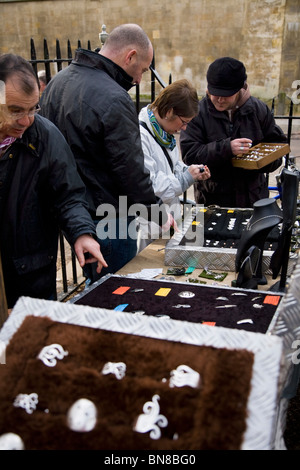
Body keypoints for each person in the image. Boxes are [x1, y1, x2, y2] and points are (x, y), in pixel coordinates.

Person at [40, 23, 173, 283]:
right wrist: (158, 213)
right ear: (130, 56)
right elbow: (130, 170)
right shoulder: (115, 97)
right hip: (110, 216)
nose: (139, 80)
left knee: (96, 284)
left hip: (74, 216)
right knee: (115, 290)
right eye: (143, 70)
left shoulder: (57, 83)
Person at [0, 53, 107, 308]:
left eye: (32, 109)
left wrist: (82, 233)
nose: (26, 121)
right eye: (15, 111)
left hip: (32, 282)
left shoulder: (46, 135)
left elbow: (68, 196)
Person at [180, 57, 287, 208]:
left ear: (239, 89)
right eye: (215, 93)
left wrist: (258, 161)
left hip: (253, 200)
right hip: (212, 201)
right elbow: (190, 154)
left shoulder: (258, 109)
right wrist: (227, 148)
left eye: (226, 94)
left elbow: (278, 146)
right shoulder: (198, 112)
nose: (219, 99)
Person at [138, 79, 211, 251]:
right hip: (151, 222)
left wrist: (189, 171)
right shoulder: (141, 135)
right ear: (169, 111)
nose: (184, 128)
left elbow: (171, 165)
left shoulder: (163, 133)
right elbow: (149, 184)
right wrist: (185, 179)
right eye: (184, 121)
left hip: (168, 218)